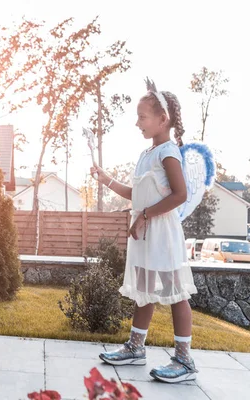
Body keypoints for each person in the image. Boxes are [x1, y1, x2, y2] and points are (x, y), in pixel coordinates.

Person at [92, 80, 198, 383]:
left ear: (162, 119)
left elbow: (180, 195)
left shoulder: (168, 152)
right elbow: (137, 195)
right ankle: (136, 348)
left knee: (176, 293)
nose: (137, 122)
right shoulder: (146, 153)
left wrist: (145, 217)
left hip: (162, 233)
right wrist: (105, 179)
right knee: (145, 291)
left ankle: (184, 361)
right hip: (146, 232)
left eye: (142, 117)